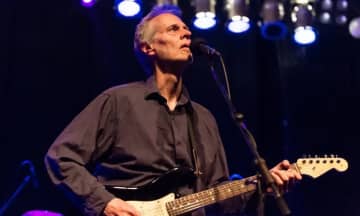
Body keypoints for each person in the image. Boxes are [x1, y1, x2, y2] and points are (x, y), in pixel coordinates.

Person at [44, 4, 302, 216]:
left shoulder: (203, 118)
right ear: (148, 47)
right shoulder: (118, 101)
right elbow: (61, 158)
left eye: (187, 29)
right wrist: (105, 203)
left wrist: (261, 185)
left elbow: (219, 198)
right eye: (173, 29)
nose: (186, 34)